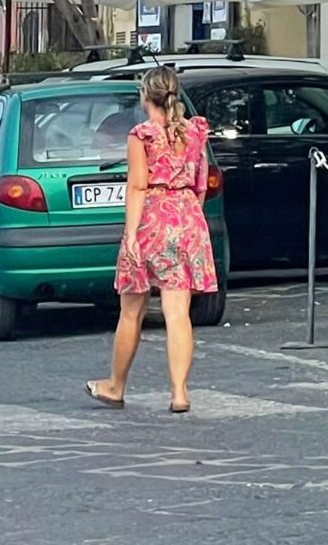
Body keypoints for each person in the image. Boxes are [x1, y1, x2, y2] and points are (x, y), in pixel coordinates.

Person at [86, 65, 215, 415]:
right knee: (178, 311)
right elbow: (201, 184)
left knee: (132, 310)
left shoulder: (141, 135)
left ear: (146, 96)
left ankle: (115, 385)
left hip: (153, 219)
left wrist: (130, 235)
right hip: (188, 217)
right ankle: (179, 393)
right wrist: (190, 216)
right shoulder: (195, 132)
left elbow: (138, 186)